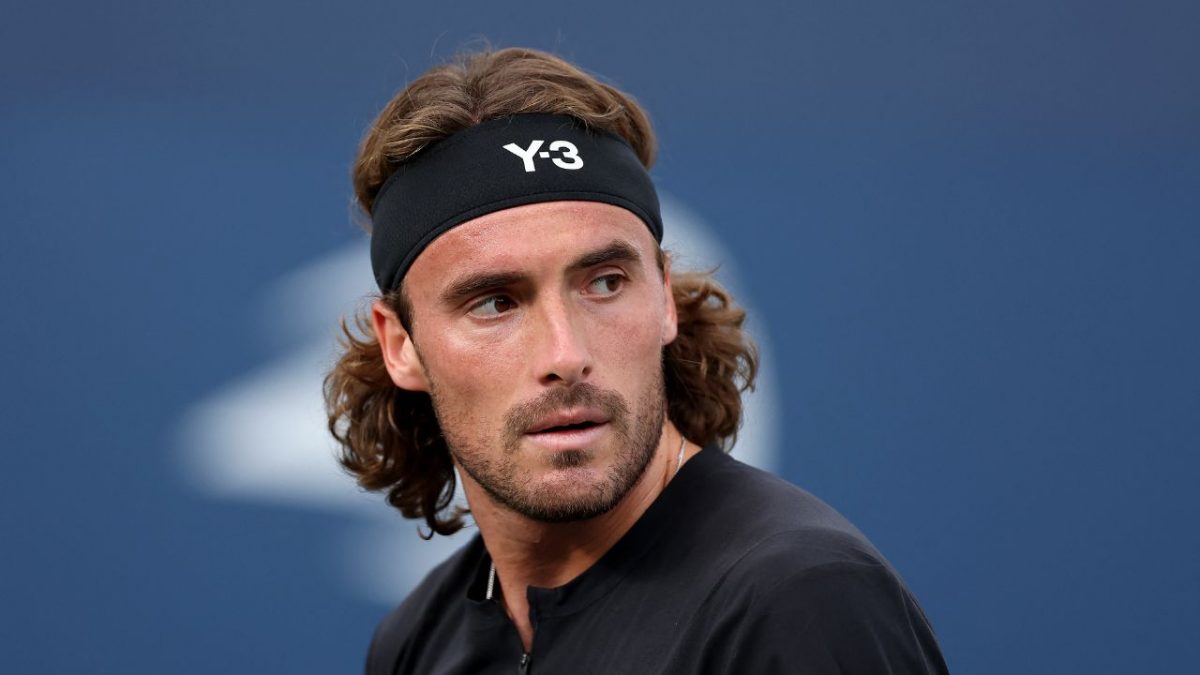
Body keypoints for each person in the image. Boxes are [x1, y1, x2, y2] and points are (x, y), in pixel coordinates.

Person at [325, 47, 949, 674]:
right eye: (494, 302)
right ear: (401, 344)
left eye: (604, 283)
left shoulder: (800, 601)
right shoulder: (415, 642)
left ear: (664, 298)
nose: (566, 356)